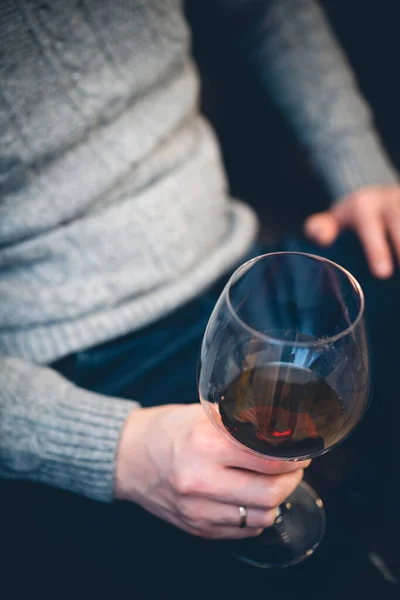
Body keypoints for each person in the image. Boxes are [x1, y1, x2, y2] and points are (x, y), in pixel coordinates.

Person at [0, 0, 399, 596]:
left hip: (244, 262)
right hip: (78, 359)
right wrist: (116, 449)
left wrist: (363, 171)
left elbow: (265, 11)